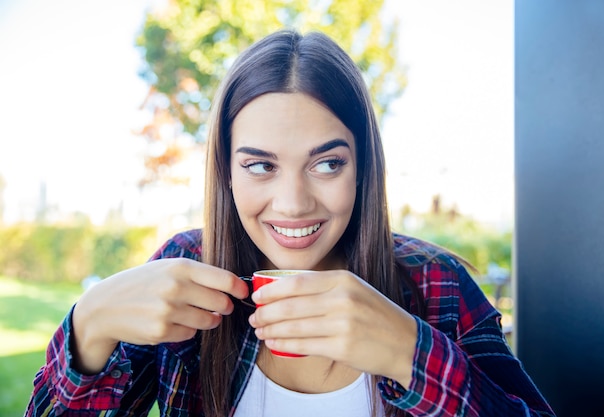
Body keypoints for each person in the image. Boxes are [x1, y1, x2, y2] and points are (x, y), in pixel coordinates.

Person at [26, 29, 554, 417]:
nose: (294, 203)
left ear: (363, 167)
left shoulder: (435, 283)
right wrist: (88, 325)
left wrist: (408, 352)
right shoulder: (185, 267)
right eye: (261, 166)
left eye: (327, 164)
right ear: (226, 173)